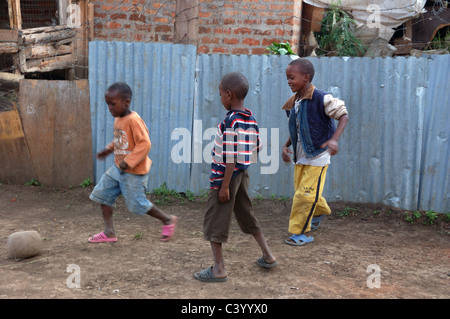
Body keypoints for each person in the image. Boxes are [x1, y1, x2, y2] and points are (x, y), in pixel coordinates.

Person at [194, 72, 278, 282]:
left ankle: (219, 269)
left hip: (226, 178)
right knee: (246, 214)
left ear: (229, 95)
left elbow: (230, 155)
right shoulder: (251, 119)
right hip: (241, 175)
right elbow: (256, 147)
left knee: (215, 221)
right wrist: (243, 167)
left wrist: (224, 186)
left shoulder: (231, 120)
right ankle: (268, 255)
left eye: (221, 95)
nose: (220, 98)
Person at [88, 82, 177, 243]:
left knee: (137, 205)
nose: (109, 107)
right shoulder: (118, 118)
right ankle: (109, 232)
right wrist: (108, 150)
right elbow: (120, 140)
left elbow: (145, 144)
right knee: (102, 195)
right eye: (107, 104)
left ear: (126, 102)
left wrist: (128, 162)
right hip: (118, 169)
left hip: (133, 172)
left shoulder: (134, 120)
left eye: (112, 104)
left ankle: (167, 219)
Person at [282, 58, 349, 246]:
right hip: (300, 156)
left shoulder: (322, 98)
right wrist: (286, 145)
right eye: (287, 78)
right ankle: (319, 211)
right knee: (305, 192)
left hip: (318, 156)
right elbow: (297, 128)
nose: (288, 81)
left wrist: (334, 140)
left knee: (304, 196)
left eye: (292, 77)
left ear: (306, 78)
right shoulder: (293, 102)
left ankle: (299, 232)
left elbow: (343, 115)